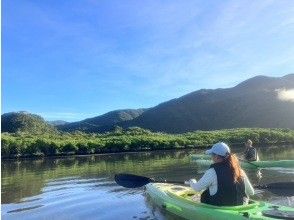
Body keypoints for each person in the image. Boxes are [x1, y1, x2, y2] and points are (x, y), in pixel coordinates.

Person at [185, 142, 254, 206]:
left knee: (205, 194)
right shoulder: (239, 170)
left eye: (212, 154)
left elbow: (197, 188)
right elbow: (251, 192)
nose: (211, 157)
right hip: (241, 208)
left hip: (221, 208)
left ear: (217, 156)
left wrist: (192, 182)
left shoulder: (212, 171)